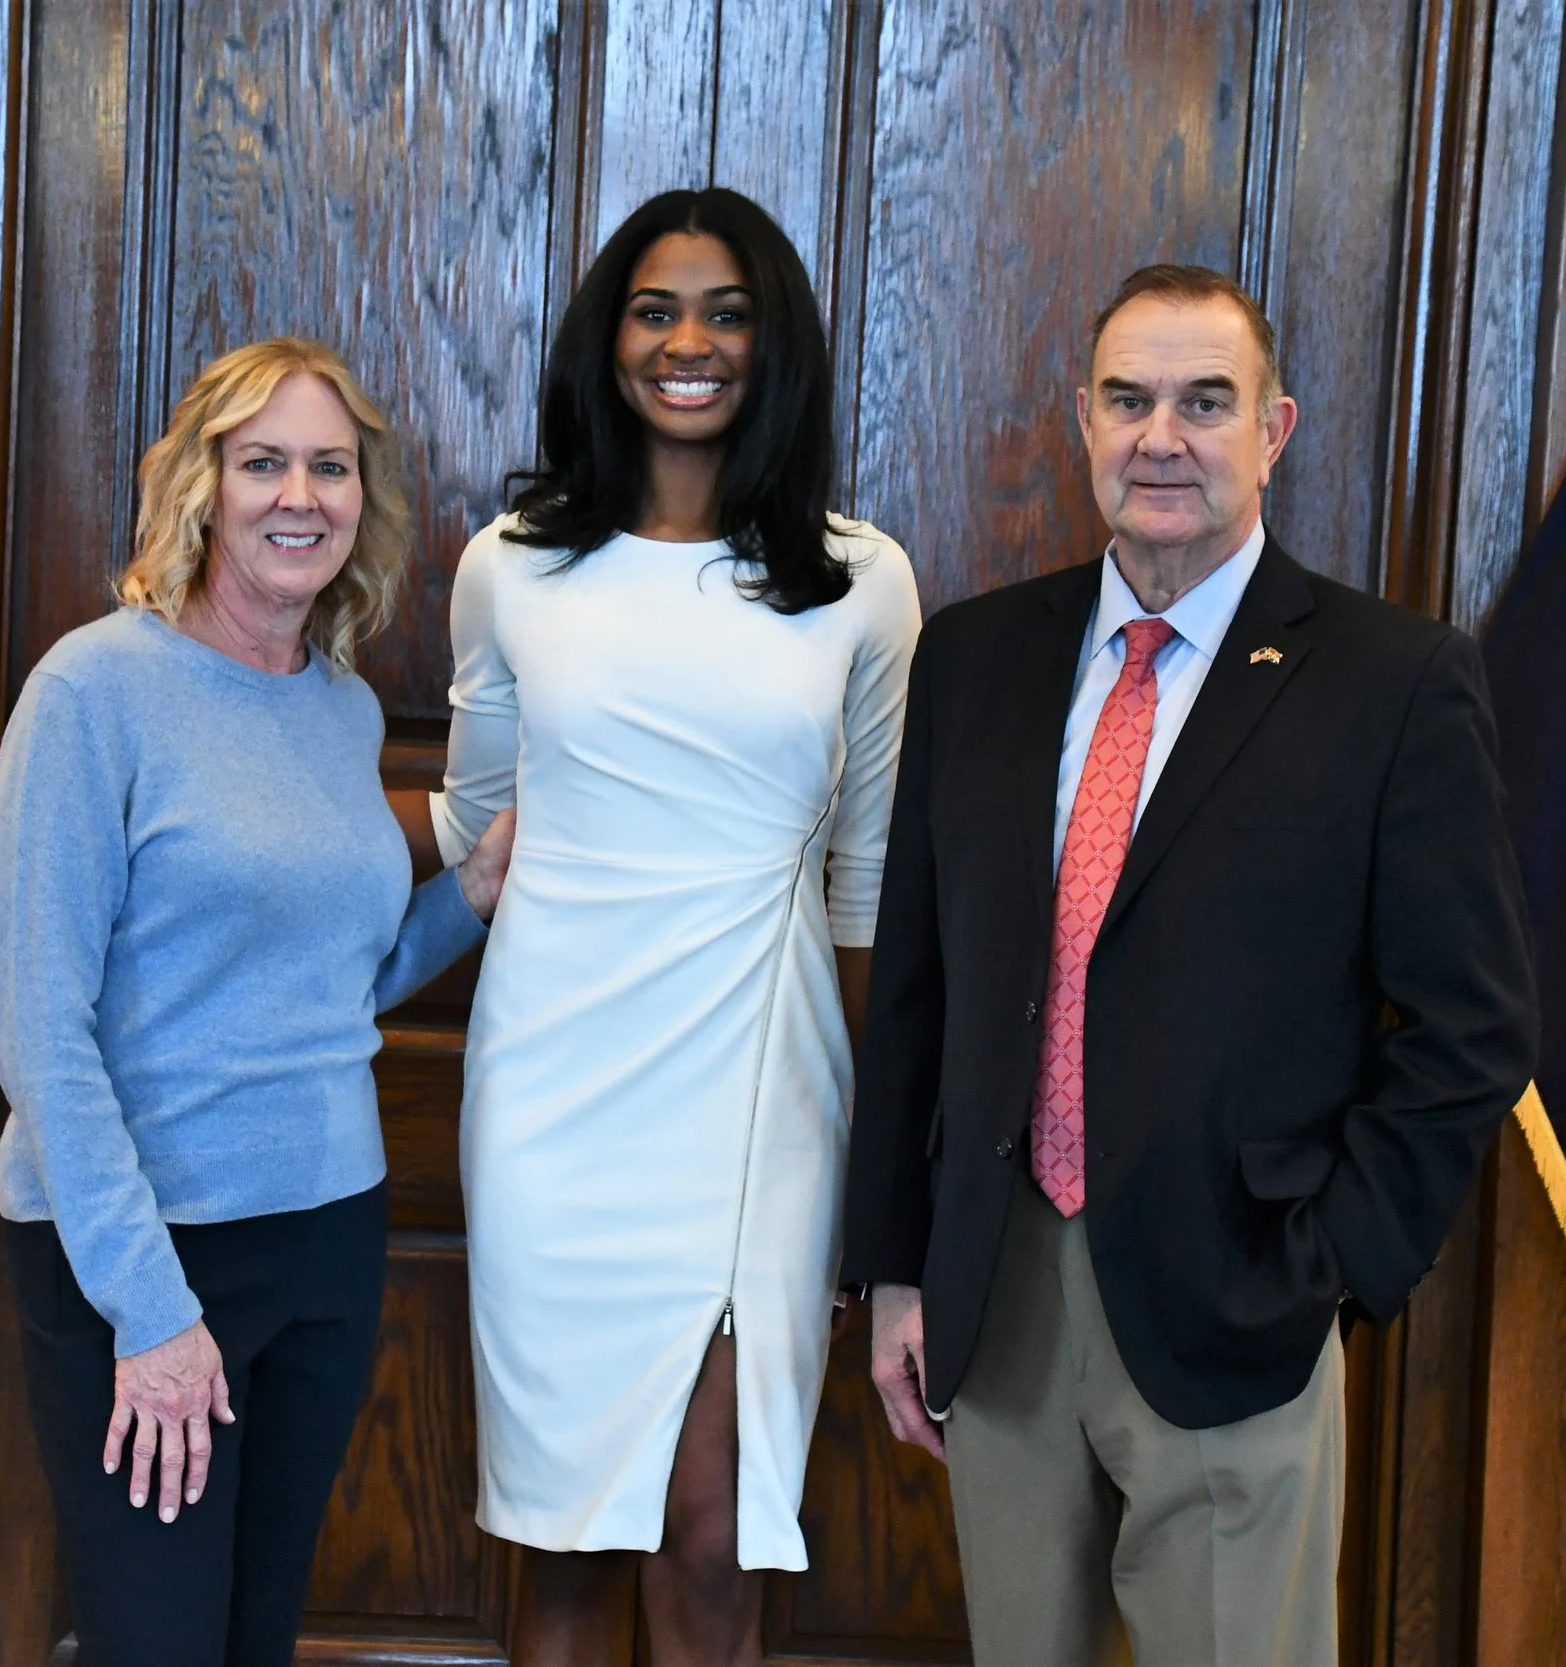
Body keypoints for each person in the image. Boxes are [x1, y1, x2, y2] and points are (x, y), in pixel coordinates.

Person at [842, 265, 1538, 1665]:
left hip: (1241, 1298)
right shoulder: (974, 657)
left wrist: (1329, 1263)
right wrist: (898, 1270)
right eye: (1131, 400)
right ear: (1083, 421)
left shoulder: (1394, 683)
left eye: (1205, 403)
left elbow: (1474, 1025)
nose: (1163, 436)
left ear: (1272, 430)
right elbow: (914, 990)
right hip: (1001, 1291)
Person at [431, 188, 921, 1666]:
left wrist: (874, 1160)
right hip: (553, 1095)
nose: (689, 342)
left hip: (759, 1093)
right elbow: (475, 826)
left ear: (776, 351)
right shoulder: (512, 562)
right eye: (657, 309)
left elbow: (871, 873)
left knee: (714, 1532)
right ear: (609, 338)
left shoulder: (860, 580)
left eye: (727, 312)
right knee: (565, 1534)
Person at [0, 337, 516, 1667]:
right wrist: (153, 1314)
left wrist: (472, 892)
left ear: (361, 499)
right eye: (263, 460)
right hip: (142, 1247)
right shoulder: (91, 692)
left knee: (255, 1635)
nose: (301, 493)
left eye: (329, 466)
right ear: (200, 489)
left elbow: (339, 986)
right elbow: (42, 1034)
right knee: (156, 1642)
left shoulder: (338, 711)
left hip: (326, 1239)